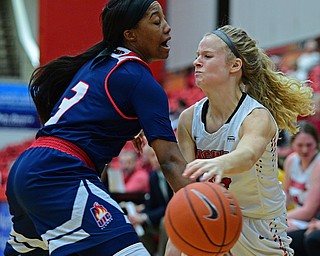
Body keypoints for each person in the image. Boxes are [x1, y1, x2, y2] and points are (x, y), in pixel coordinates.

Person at [4, 1, 191, 255]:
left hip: (27, 171)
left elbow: (88, 116)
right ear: (130, 34)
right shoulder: (139, 78)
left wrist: (130, 127)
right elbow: (169, 160)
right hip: (59, 174)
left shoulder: (98, 63)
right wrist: (200, 206)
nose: (167, 28)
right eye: (156, 22)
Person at [167, 25, 315, 256]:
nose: (197, 62)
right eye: (197, 56)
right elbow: (186, 194)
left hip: (260, 227)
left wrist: (219, 163)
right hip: (215, 216)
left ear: (235, 65)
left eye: (207, 56)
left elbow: (247, 155)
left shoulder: (257, 116)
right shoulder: (188, 119)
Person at [128, 145, 173, 256]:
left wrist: (145, 217)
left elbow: (170, 206)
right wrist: (140, 213)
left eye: (158, 155)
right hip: (159, 217)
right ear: (149, 159)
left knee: (165, 222)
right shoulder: (153, 177)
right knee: (135, 224)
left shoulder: (173, 175)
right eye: (153, 156)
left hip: (174, 216)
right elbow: (151, 205)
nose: (157, 159)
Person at [282, 121, 320, 232]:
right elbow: (285, 196)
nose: (304, 150)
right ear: (292, 144)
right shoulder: (291, 160)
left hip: (313, 219)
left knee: (278, 229)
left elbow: (309, 211)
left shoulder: (318, 164)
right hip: (297, 215)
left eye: (309, 145)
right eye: (300, 145)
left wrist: (279, 218)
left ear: (316, 143)